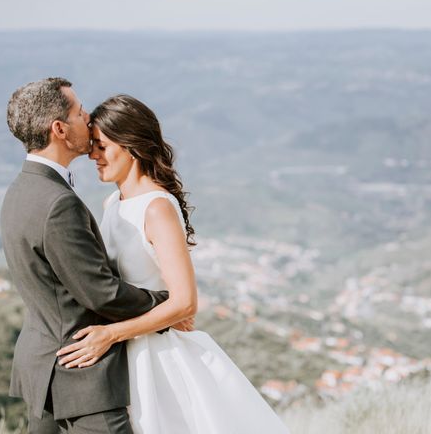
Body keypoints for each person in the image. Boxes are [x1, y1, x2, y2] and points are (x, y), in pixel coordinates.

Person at [55, 94, 290, 434]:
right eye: (92, 145)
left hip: (155, 356)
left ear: (131, 146)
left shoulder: (157, 208)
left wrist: (110, 334)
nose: (92, 155)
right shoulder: (113, 202)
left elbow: (185, 302)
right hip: (122, 357)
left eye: (101, 146)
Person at [0, 78, 179, 433]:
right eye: (80, 113)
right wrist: (166, 302)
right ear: (60, 129)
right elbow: (101, 292)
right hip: (81, 374)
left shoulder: (21, 190)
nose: (88, 118)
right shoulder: (58, 203)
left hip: (43, 365)